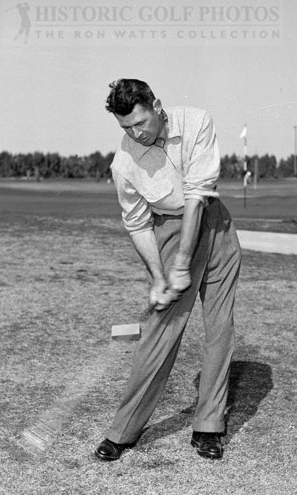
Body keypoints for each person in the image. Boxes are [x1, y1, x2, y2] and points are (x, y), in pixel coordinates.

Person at [95, 79, 241, 461]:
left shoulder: (196, 122)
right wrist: (161, 276)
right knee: (160, 333)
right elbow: (138, 224)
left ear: (156, 106)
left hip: (215, 224)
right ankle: (123, 431)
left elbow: (197, 199)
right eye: (126, 128)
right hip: (169, 229)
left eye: (140, 123)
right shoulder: (124, 163)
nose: (136, 134)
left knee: (220, 328)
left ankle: (208, 426)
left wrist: (182, 266)